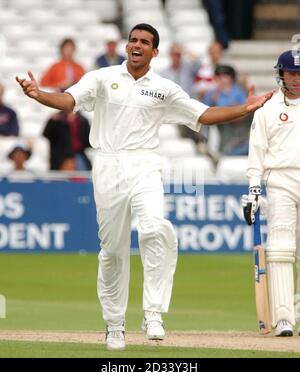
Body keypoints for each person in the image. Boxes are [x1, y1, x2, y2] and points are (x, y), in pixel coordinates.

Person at [16, 23, 273, 351]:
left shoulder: (164, 89)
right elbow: (68, 101)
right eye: (133, 40)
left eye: (144, 42)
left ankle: (153, 312)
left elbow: (203, 114)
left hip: (145, 164)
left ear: (154, 52)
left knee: (155, 228)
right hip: (108, 164)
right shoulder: (101, 78)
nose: (136, 45)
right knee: (112, 250)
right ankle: (114, 324)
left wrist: (244, 108)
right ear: (127, 46)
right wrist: (38, 94)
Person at [242, 50, 300, 337]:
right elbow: (257, 152)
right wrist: (254, 189)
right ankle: (284, 319)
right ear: (281, 74)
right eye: (291, 73)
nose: (296, 79)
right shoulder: (266, 110)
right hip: (280, 180)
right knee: (280, 249)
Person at [202, 64, 250, 155]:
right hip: (219, 128)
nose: (221, 79)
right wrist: (213, 103)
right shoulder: (211, 93)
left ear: (231, 77)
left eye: (225, 75)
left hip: (238, 127)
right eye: (218, 76)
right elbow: (204, 112)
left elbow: (246, 110)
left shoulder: (239, 91)